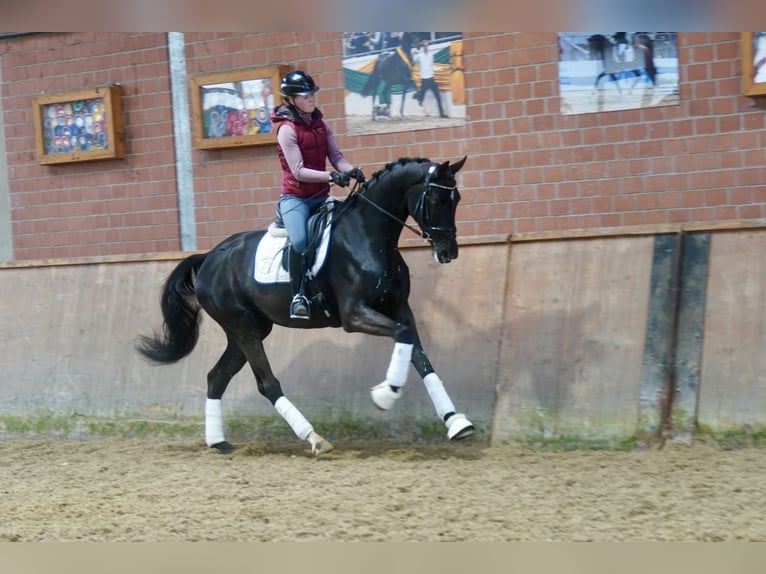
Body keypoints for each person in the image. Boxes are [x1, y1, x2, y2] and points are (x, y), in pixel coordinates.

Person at [271, 70, 364, 320]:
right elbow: (298, 171)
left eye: (312, 93)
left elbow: (336, 158)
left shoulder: (321, 124)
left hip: (321, 196)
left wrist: (351, 170)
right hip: (296, 199)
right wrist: (331, 177)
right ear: (291, 99)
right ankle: (298, 294)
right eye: (304, 95)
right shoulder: (287, 131)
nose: (311, 98)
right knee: (300, 241)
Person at [412, 39, 447, 118]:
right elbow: (413, 61)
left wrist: (439, 69)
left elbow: (432, 66)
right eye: (424, 46)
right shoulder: (419, 56)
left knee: (438, 96)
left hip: (431, 79)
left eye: (427, 45)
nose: (426, 47)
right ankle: (418, 97)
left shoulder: (431, 55)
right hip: (424, 80)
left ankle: (441, 114)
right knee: (421, 97)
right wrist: (414, 52)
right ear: (422, 47)